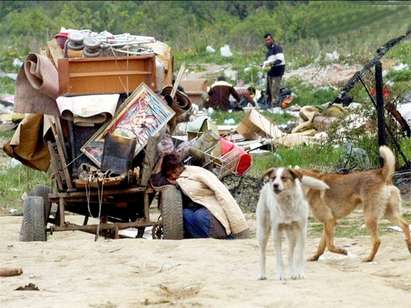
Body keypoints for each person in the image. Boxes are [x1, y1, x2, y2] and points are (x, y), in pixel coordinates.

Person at [152, 153, 249, 239]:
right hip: (196, 213)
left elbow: (222, 193)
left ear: (179, 166)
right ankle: (202, 240)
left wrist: (238, 225)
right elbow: (156, 181)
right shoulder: (176, 180)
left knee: (200, 215)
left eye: (174, 171)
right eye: (169, 174)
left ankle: (223, 238)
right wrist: (161, 157)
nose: (173, 176)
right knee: (185, 214)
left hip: (212, 213)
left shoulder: (197, 172)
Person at [262, 33, 285, 107]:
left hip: (277, 72)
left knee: (275, 90)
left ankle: (275, 107)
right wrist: (264, 65)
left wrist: (270, 64)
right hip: (270, 72)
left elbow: (280, 60)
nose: (267, 41)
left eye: (269, 39)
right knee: (268, 90)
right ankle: (269, 105)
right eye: (266, 40)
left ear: (272, 39)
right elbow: (268, 61)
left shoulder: (277, 48)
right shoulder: (269, 51)